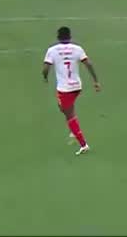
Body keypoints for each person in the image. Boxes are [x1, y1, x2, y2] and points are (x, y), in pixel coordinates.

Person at [43, 26, 101, 156]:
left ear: (58, 37)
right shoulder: (77, 49)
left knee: (69, 115)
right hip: (77, 87)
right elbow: (88, 64)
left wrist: (45, 77)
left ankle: (83, 144)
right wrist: (95, 81)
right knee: (64, 107)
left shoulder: (52, 50)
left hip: (64, 89)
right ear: (70, 37)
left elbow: (46, 68)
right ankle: (74, 129)